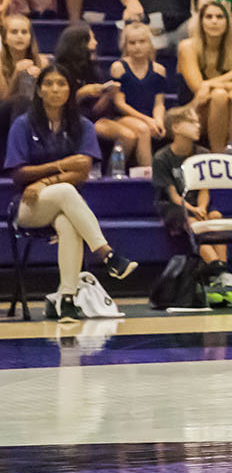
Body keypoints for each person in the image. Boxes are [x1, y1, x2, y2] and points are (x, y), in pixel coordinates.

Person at [6, 65, 138, 320]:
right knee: (66, 189)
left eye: (61, 84)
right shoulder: (23, 124)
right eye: (49, 84)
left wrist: (44, 181)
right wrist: (62, 166)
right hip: (28, 205)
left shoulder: (82, 125)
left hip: (62, 203)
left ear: (70, 90)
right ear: (39, 90)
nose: (55, 89)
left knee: (67, 222)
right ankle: (107, 254)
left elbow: (83, 171)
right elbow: (19, 175)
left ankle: (67, 300)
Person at [52, 23, 139, 169]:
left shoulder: (93, 69)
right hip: (69, 118)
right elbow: (58, 105)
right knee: (126, 135)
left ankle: (113, 172)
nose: (96, 42)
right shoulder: (59, 71)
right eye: (91, 38)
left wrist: (108, 95)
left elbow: (96, 110)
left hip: (95, 118)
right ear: (80, 43)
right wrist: (81, 93)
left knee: (132, 134)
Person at [153, 105, 228, 268]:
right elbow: (173, 195)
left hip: (198, 204)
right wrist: (194, 210)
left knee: (215, 216)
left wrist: (201, 207)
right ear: (176, 127)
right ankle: (216, 267)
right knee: (192, 221)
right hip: (173, 206)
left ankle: (223, 265)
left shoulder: (203, 155)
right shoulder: (162, 158)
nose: (198, 126)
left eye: (198, 122)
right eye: (192, 122)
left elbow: (204, 189)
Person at [177, 1, 232, 154]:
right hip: (192, 111)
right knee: (219, 95)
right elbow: (198, 88)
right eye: (209, 17)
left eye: (219, 17)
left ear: (227, 22)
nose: (214, 21)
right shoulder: (187, 47)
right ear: (201, 21)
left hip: (227, 112)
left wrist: (209, 85)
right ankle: (218, 156)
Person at [108, 21, 168, 169]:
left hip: (148, 117)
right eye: (132, 43)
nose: (137, 47)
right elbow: (119, 104)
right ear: (125, 46)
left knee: (148, 127)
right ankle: (148, 178)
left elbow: (159, 103)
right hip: (122, 117)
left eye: (142, 42)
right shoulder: (119, 67)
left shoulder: (159, 70)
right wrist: (148, 121)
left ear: (150, 43)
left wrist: (158, 121)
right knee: (143, 129)